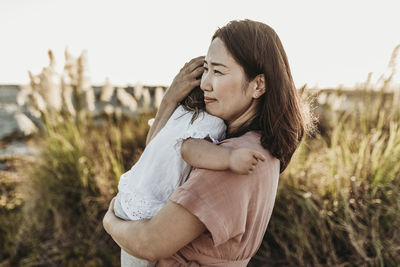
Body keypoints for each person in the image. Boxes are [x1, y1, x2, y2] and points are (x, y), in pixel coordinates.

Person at [104, 19, 312, 266]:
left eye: (219, 71)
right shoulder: (259, 146)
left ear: (258, 85)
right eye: (206, 69)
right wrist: (170, 100)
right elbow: (158, 152)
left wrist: (111, 221)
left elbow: (151, 243)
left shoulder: (230, 159)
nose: (205, 84)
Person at [113, 78, 266, 266]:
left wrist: (169, 100)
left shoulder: (177, 114)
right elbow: (189, 149)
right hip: (146, 210)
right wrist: (229, 158)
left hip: (127, 196)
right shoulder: (212, 122)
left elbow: (151, 142)